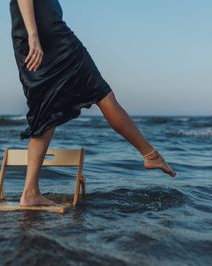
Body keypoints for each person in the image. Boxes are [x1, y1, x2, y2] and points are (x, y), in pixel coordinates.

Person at [9, 0, 176, 207]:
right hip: (47, 36)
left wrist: (32, 35)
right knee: (101, 93)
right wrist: (34, 36)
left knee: (46, 109)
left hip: (34, 35)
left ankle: (30, 192)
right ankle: (150, 154)